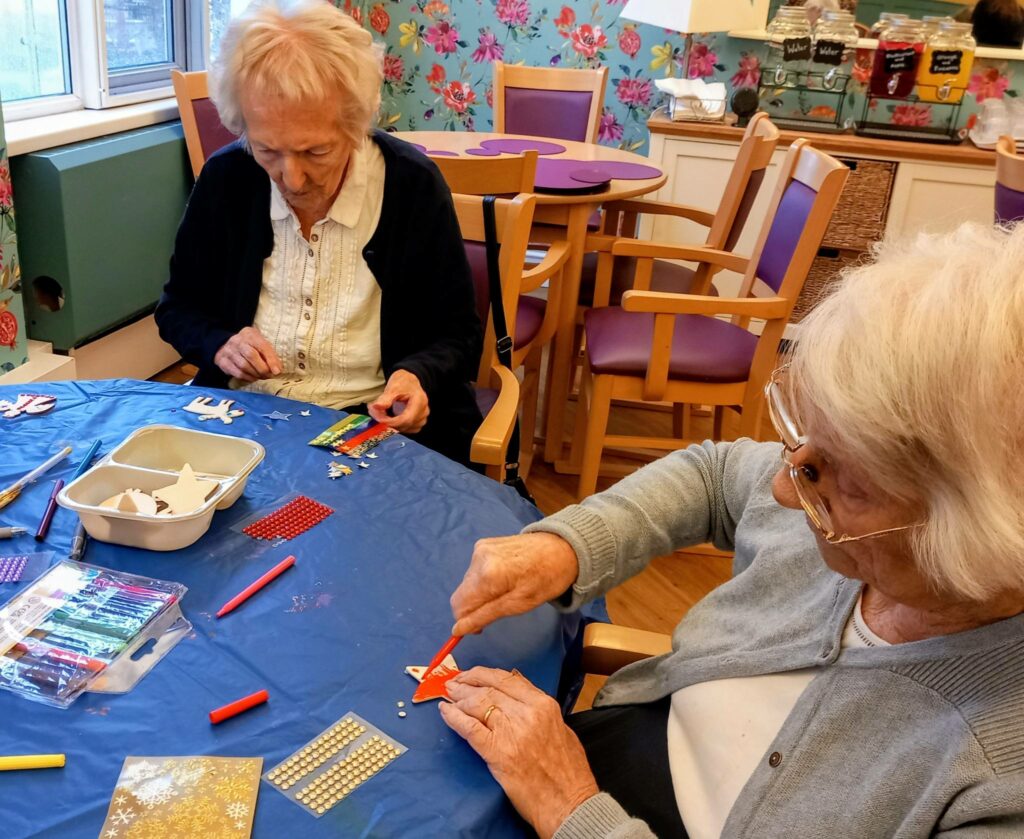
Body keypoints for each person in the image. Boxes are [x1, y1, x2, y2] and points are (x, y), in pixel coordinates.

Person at [441, 223, 1024, 838]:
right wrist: (566, 545)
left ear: (972, 537)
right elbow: (714, 475)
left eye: (839, 480)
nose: (782, 488)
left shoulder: (997, 779)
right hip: (609, 753)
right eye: (801, 439)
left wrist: (574, 811)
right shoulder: (832, 502)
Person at [156, 0, 483, 466]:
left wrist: (417, 375)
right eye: (268, 149)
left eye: (316, 151)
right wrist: (220, 343)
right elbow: (177, 307)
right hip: (248, 415)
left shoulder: (412, 185)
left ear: (354, 125)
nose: (291, 178)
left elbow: (458, 331)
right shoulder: (227, 178)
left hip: (371, 425)